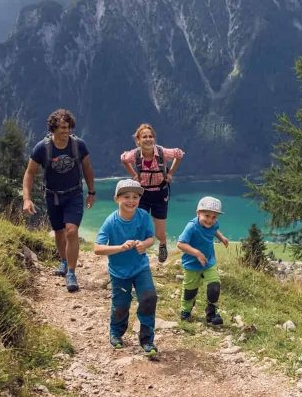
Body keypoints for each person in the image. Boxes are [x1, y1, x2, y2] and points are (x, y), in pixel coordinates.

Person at [23, 109, 96, 292]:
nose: (66, 131)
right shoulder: (42, 148)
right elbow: (30, 173)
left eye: (68, 127)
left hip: (73, 194)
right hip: (52, 196)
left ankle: (71, 272)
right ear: (53, 128)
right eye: (62, 127)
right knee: (59, 232)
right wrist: (27, 199)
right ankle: (63, 261)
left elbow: (87, 168)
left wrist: (92, 192)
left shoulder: (78, 145)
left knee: (71, 231)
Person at [94, 179, 159, 358]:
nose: (132, 201)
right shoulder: (111, 222)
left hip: (141, 268)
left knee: (149, 298)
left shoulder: (143, 216)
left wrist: (143, 245)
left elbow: (150, 238)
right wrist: (120, 247)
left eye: (136, 197)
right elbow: (97, 248)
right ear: (117, 199)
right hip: (119, 272)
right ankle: (116, 334)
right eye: (126, 197)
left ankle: (147, 340)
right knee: (121, 305)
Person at [119, 123, 184, 263]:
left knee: (159, 232)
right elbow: (124, 159)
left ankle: (162, 244)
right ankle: (138, 253)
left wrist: (171, 173)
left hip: (160, 194)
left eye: (151, 136)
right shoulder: (135, 155)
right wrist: (133, 175)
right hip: (142, 195)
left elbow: (179, 154)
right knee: (139, 225)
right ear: (138, 140)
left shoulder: (162, 153)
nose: (148, 139)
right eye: (144, 137)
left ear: (154, 138)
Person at [176, 196, 229, 325]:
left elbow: (214, 229)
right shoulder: (191, 227)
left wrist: (222, 237)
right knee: (190, 291)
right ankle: (186, 311)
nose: (210, 220)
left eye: (214, 217)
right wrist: (197, 253)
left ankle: (211, 314)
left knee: (214, 287)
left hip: (209, 262)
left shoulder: (214, 223)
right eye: (207, 215)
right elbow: (180, 244)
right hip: (192, 264)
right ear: (198, 213)